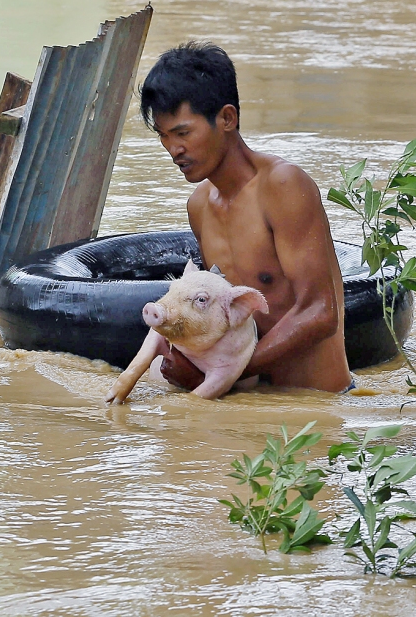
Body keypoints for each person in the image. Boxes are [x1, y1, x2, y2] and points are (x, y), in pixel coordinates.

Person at [138, 42, 353, 393]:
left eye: (183, 133)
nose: (174, 149)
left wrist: (225, 372)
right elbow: (222, 320)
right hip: (244, 397)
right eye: (164, 136)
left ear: (226, 118)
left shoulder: (282, 186)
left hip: (315, 407)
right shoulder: (199, 206)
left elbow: (320, 312)